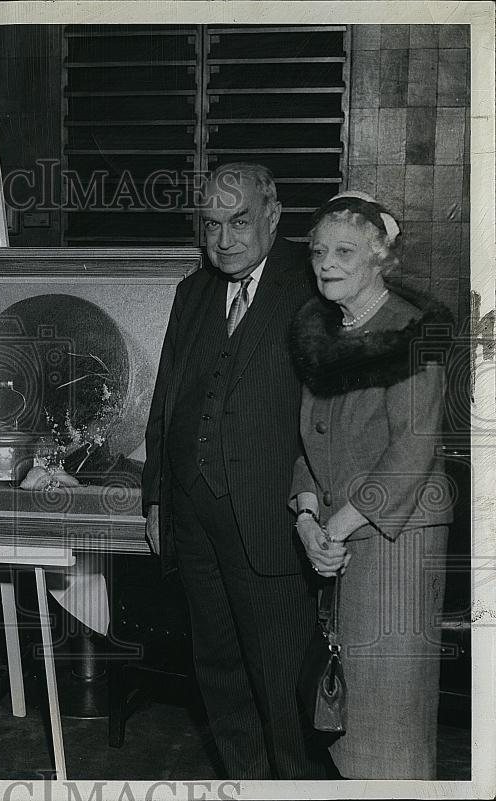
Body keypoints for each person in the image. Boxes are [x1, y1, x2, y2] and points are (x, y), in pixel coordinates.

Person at [142, 163, 324, 778]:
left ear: (272, 217)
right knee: (218, 676)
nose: (224, 239)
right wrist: (155, 500)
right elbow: (165, 403)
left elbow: (329, 415)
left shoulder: (312, 286)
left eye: (239, 221)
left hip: (271, 522)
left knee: (281, 687)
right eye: (212, 224)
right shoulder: (191, 293)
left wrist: (317, 502)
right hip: (194, 524)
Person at [289, 192, 453, 779]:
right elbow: (311, 438)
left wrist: (332, 527)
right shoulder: (323, 330)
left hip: (394, 543)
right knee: (343, 715)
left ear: (381, 257)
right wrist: (306, 516)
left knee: (391, 723)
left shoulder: (412, 332)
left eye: (345, 251)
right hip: (336, 540)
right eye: (318, 252)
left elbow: (413, 450)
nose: (327, 263)